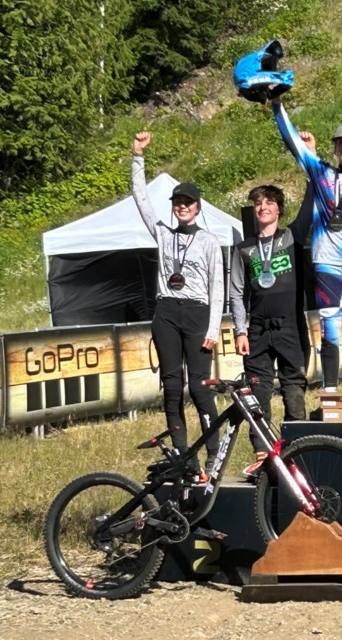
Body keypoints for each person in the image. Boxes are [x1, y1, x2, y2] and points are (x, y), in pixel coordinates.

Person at [271, 97, 342, 420]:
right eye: (340, 144)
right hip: (325, 263)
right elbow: (293, 142)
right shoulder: (321, 174)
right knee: (329, 329)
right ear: (335, 147)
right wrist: (276, 104)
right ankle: (332, 395)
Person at [132, 131, 225, 479]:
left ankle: (214, 453)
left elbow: (218, 289)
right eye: (177, 202)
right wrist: (138, 158)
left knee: (200, 388)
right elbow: (140, 199)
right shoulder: (162, 233)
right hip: (167, 312)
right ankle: (185, 458)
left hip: (198, 313)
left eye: (187, 202)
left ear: (198, 207)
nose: (182, 206)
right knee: (172, 387)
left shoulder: (209, 241)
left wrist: (214, 329)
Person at [229, 185, 311, 478]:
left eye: (269, 202)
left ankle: (296, 453)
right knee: (258, 394)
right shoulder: (244, 249)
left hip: (289, 325)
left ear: (279, 209)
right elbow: (237, 293)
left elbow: (309, 205)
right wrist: (240, 330)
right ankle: (263, 456)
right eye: (258, 203)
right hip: (258, 330)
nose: (263, 207)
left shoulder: (292, 237)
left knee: (293, 390)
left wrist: (308, 161)